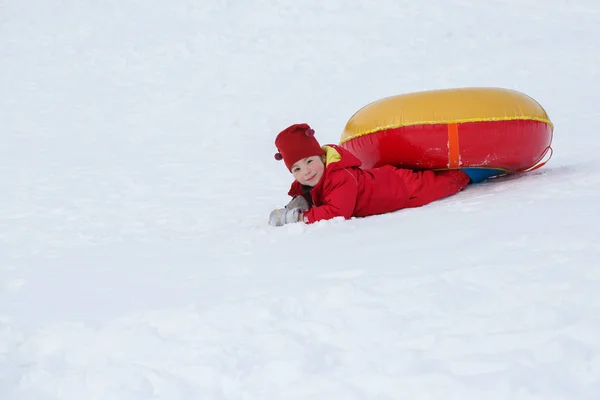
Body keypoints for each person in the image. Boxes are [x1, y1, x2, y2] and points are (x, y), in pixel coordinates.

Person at [268, 123, 471, 227]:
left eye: (309, 162)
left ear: (322, 158)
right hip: (385, 177)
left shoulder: (340, 176)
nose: (306, 172)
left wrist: (301, 217)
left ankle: (473, 170)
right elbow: (310, 194)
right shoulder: (311, 181)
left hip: (401, 189)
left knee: (447, 182)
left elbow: (338, 212)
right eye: (297, 169)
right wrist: (300, 202)